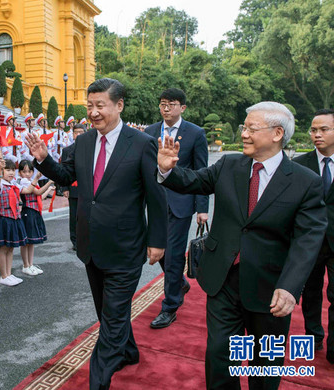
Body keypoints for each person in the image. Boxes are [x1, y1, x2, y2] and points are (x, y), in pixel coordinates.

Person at [157, 101, 327, 389]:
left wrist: (290, 285)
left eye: (251, 128)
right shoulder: (229, 164)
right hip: (223, 278)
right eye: (243, 128)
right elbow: (194, 182)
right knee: (220, 356)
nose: (244, 134)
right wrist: (167, 170)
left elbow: (308, 238)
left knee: (265, 365)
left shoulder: (305, 181)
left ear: (276, 133)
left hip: (270, 287)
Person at [25, 78, 167, 390]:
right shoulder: (86, 142)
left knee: (112, 321)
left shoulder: (141, 144)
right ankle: (128, 351)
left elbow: (156, 197)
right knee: (108, 314)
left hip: (126, 247)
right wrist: (43, 159)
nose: (93, 112)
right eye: (90, 106)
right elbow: (66, 177)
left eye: (99, 105)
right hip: (91, 245)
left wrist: (158, 241)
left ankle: (98, 381)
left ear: (119, 105)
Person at [144, 88, 209, 329]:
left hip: (181, 203)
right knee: (154, 248)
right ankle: (179, 282)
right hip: (155, 202)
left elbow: (201, 173)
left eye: (171, 104)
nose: (166, 108)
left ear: (182, 107)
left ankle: (170, 306)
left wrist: (203, 207)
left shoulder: (195, 133)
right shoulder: (150, 132)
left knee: (172, 256)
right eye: (162, 104)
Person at [293, 108, 334, 363]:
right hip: (309, 241)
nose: (316, 135)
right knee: (310, 292)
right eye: (313, 130)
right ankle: (313, 335)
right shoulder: (299, 165)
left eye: (324, 129)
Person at [0, 158, 28, 287]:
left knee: (11, 247)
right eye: (8, 170)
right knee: (4, 248)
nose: (11, 173)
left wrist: (36, 180)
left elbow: (27, 190)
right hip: (5, 219)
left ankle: (9, 273)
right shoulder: (1, 184)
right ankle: (3, 275)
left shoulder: (14, 185)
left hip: (15, 218)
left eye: (13, 170)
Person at [17, 161, 54, 276]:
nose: (27, 174)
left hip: (34, 212)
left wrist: (49, 189)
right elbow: (37, 191)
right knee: (26, 241)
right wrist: (49, 183)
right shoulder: (24, 182)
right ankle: (25, 265)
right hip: (28, 212)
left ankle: (31, 264)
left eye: (30, 171)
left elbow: (40, 197)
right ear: (20, 173)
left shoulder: (31, 182)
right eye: (24, 171)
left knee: (31, 241)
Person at [61, 124, 85, 250]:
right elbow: (63, 170)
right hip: (73, 188)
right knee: (74, 215)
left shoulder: (90, 149)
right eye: (76, 132)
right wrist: (65, 188)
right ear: (73, 134)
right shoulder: (67, 151)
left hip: (87, 189)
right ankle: (75, 240)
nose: (79, 135)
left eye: (82, 132)